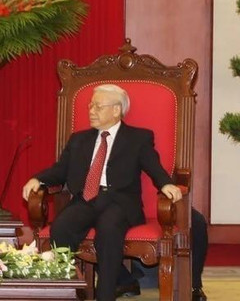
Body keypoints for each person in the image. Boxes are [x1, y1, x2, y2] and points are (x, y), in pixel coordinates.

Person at [22, 84, 183, 301]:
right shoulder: (79, 139)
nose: (91, 110)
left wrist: (166, 184)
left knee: (108, 230)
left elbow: (153, 166)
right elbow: (60, 170)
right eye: (90, 105)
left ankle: (105, 296)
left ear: (116, 110)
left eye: (98, 106)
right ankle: (70, 290)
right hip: (86, 199)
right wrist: (38, 179)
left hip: (120, 201)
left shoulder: (138, 138)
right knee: (61, 228)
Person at [115, 208, 208, 300]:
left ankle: (193, 286)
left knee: (198, 222)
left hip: (171, 204)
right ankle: (124, 280)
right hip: (131, 203)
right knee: (106, 222)